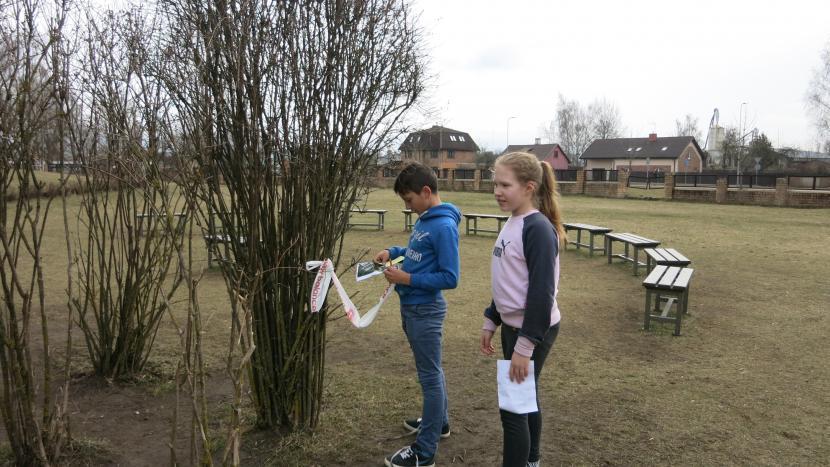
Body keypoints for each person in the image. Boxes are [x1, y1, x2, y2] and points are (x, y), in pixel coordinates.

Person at [479, 152, 566, 467]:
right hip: (514, 328)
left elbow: (542, 293)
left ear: (529, 187)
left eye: (505, 185)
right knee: (524, 396)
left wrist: (525, 346)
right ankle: (532, 460)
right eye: (495, 184)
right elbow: (509, 280)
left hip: (531, 330)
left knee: (513, 409)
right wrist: (492, 318)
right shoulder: (514, 220)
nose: (497, 191)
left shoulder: (537, 229)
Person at [375, 161, 461, 467]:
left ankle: (424, 453)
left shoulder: (443, 226)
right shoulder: (425, 220)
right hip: (412, 308)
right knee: (432, 371)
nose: (408, 207)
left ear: (426, 192)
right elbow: (416, 253)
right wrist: (393, 251)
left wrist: (407, 279)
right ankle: (440, 423)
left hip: (425, 311)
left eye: (409, 200)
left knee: (430, 377)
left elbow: (450, 277)